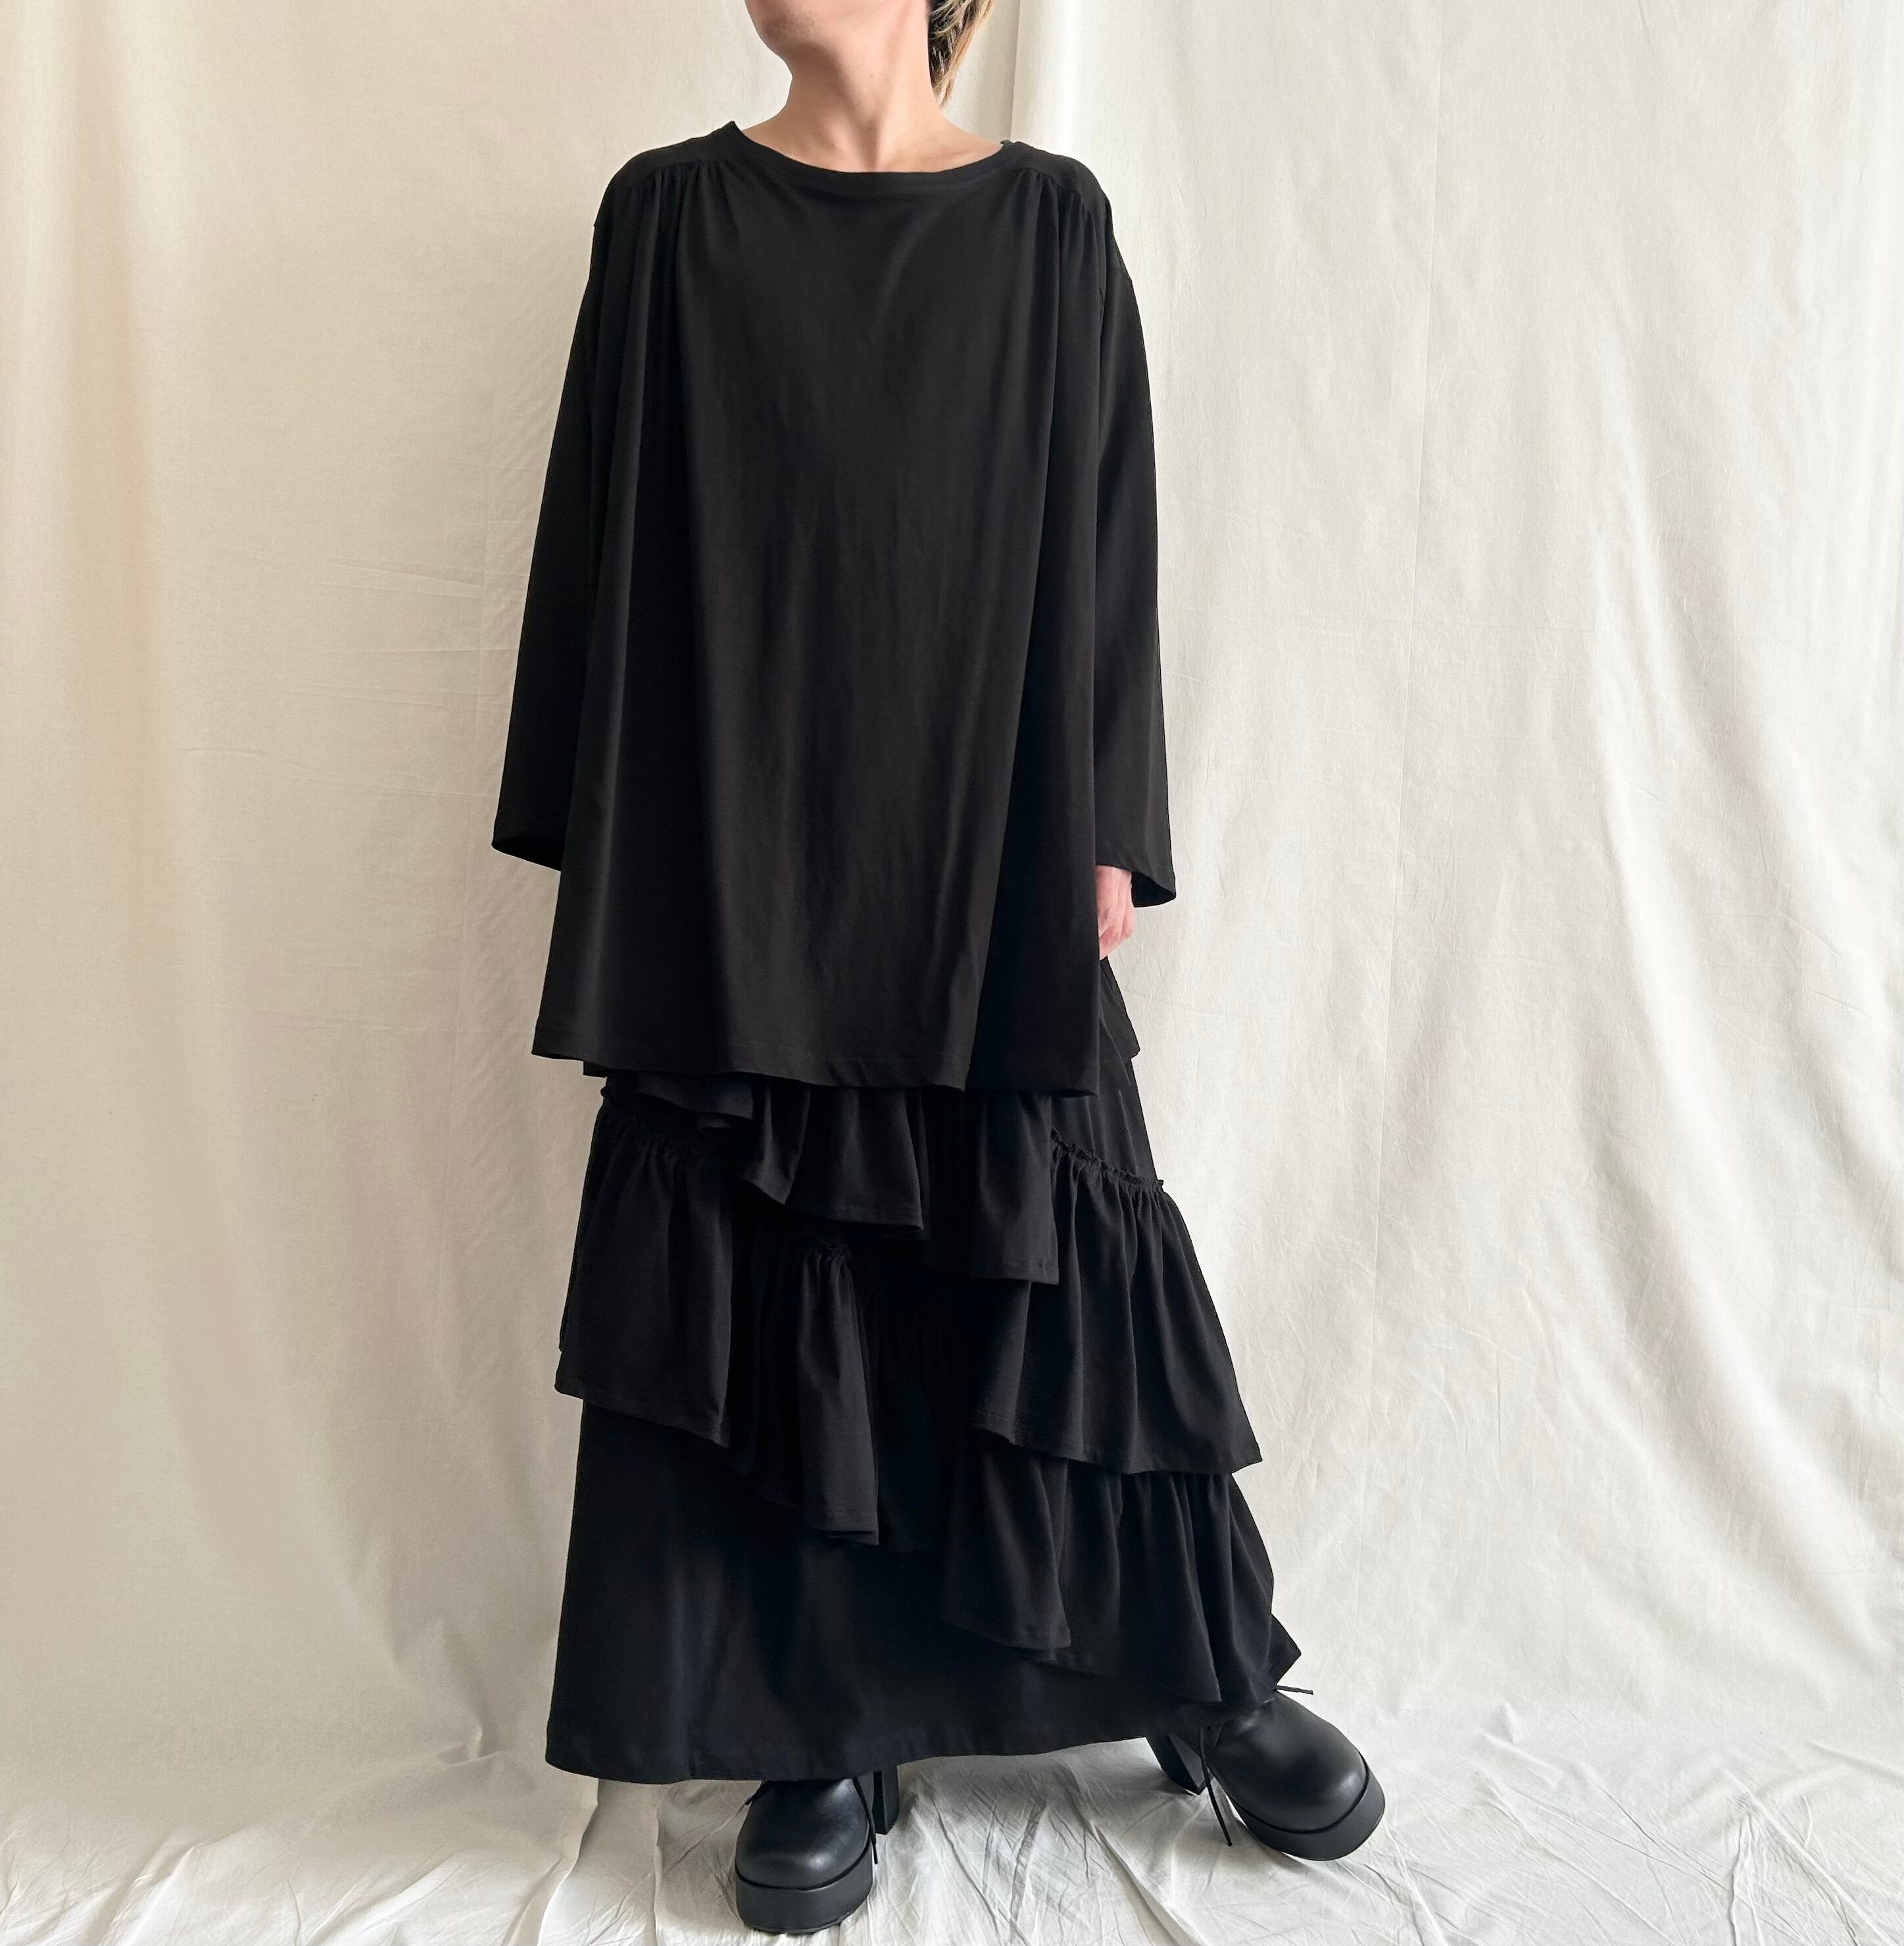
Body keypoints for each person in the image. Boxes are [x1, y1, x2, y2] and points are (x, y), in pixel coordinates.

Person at [492, 0, 1384, 1930]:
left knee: (1057, 1240)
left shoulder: (1053, 223)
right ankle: (822, 1722)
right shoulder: (667, 217)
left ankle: (1197, 1669)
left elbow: (1112, 537)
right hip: (741, 834)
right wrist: (605, 822)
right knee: (775, 1251)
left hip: (989, 820)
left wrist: (1109, 824)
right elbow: (600, 522)